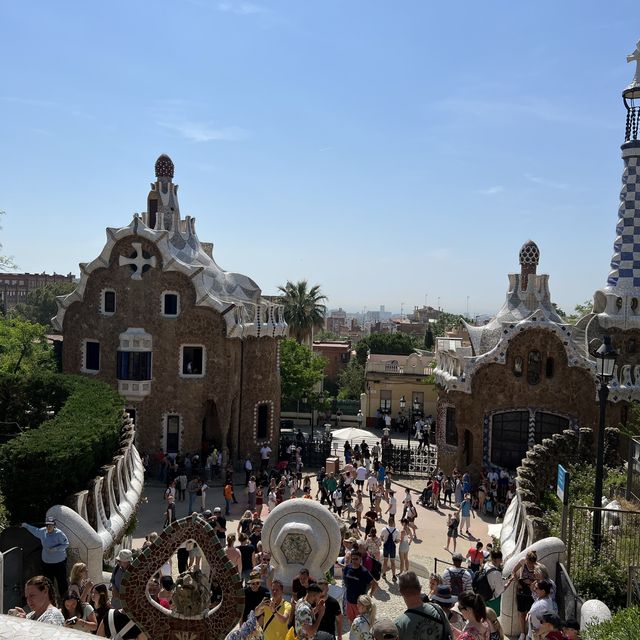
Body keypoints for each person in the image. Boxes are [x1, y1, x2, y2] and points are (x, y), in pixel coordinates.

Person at [394, 571, 452, 640]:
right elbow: (450, 635)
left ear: (400, 592)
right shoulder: (438, 610)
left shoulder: (399, 625)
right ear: (420, 588)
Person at [21, 517, 70, 596]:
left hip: (59, 562)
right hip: (47, 563)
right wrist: (26, 525)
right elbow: (35, 530)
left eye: (50, 525)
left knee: (62, 582)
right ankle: (51, 599)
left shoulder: (59, 533)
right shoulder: (42, 531)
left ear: (54, 525)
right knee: (48, 582)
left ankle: (65, 599)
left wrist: (56, 549)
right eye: (47, 525)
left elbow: (66, 544)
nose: (48, 527)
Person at [505, 550, 541, 640]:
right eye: (529, 563)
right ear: (526, 560)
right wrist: (518, 582)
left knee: (530, 613)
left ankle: (529, 633)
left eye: (532, 563)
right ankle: (522, 633)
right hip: (521, 589)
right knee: (521, 612)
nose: (530, 565)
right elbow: (513, 571)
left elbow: (540, 579)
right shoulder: (522, 561)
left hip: (531, 591)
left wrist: (533, 582)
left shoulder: (537, 566)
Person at [343, 550, 378, 624]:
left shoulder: (363, 572)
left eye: (356, 559)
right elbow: (345, 580)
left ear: (360, 559)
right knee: (350, 619)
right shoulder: (347, 568)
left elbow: (374, 583)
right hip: (349, 601)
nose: (354, 561)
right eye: (353, 559)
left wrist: (371, 593)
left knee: (361, 623)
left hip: (360, 603)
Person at [380, 517, 401, 582]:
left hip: (386, 547)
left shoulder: (384, 529)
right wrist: (394, 542)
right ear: (394, 522)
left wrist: (385, 541)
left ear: (388, 522)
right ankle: (394, 575)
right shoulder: (396, 531)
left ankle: (384, 573)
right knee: (392, 562)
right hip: (392, 548)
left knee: (385, 561)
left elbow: (381, 538)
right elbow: (397, 541)